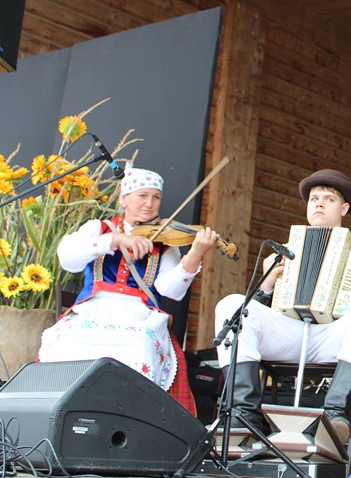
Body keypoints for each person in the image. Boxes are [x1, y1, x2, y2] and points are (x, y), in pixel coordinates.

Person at [214, 169, 351, 445]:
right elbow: (253, 317)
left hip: (335, 338)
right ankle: (243, 416)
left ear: (344, 208)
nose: (319, 204)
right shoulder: (285, 250)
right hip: (288, 334)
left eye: (329, 199)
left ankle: (335, 415)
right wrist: (266, 287)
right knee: (232, 304)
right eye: (314, 199)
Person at [39, 165, 221, 415]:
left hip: (140, 313)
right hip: (94, 308)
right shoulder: (98, 228)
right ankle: (67, 410)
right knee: (69, 339)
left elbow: (171, 291)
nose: (150, 203)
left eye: (156, 197)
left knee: (140, 344)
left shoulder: (164, 242)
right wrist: (114, 240)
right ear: (124, 199)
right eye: (142, 195)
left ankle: (124, 414)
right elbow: (67, 258)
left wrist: (195, 255)